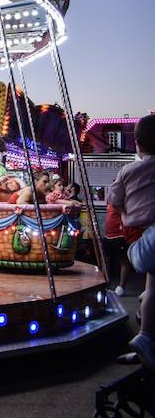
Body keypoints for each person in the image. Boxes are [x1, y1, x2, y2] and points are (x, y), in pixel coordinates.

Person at [107, 114, 155, 369]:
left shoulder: (128, 170)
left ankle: (145, 344)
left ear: (137, 143)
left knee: (151, 287)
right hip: (149, 238)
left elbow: (114, 198)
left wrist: (126, 214)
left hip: (140, 235)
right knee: (153, 289)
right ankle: (146, 336)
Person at [104, 203, 132, 297]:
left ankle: (121, 288)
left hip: (120, 235)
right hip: (108, 235)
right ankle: (106, 284)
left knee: (123, 261)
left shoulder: (124, 201)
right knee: (106, 260)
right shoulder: (110, 201)